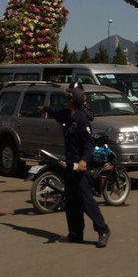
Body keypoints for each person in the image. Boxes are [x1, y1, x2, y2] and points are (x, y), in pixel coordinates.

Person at [40, 83, 110, 247]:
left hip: (80, 167)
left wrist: (84, 160)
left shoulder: (82, 120)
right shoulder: (67, 114)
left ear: (72, 101)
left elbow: (89, 144)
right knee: (71, 202)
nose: (66, 99)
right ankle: (75, 234)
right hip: (70, 167)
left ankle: (103, 230)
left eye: (68, 97)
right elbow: (56, 112)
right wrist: (44, 109)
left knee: (86, 201)